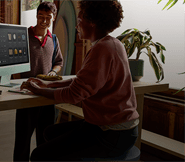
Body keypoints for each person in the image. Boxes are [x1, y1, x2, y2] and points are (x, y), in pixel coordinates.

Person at [20, 0, 139, 161]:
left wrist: (38, 90)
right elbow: (82, 81)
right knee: (49, 132)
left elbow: (73, 94)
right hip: (112, 126)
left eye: (80, 21)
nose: (77, 26)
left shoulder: (101, 50)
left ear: (92, 23)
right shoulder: (112, 43)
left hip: (112, 133)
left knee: (38, 155)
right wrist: (49, 83)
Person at [13, 2, 63, 162]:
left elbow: (59, 62)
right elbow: (14, 63)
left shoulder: (53, 39)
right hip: (26, 95)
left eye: (48, 18)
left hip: (47, 96)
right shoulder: (23, 36)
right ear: (36, 16)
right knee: (22, 140)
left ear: (53, 18)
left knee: (45, 138)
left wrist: (53, 72)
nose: (44, 21)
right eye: (41, 17)